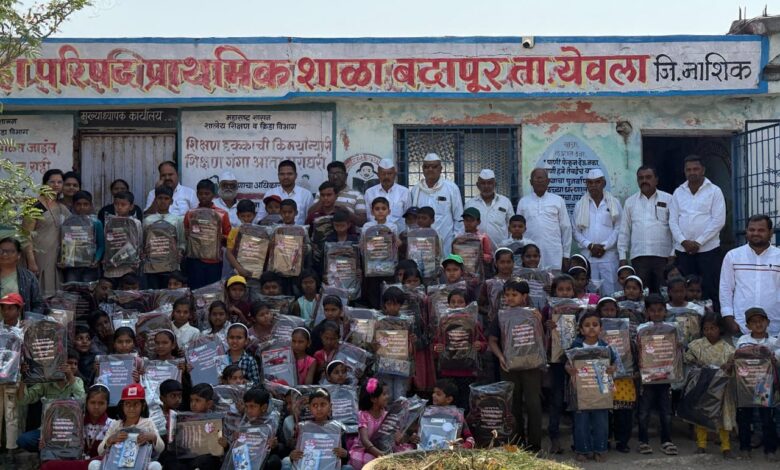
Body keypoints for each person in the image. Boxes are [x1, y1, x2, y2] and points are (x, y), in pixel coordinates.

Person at [487, 279, 543, 452]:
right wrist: (500, 357)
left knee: (534, 404)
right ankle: (517, 444)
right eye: (507, 295)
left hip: (532, 366)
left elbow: (542, 339)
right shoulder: (501, 315)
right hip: (508, 366)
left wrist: (540, 322)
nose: (510, 298)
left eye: (514, 294)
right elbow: (492, 340)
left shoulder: (534, 314)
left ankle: (534, 446)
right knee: (513, 406)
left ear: (524, 296)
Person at [669, 155, 726, 303]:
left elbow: (719, 221)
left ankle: (711, 317)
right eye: (688, 170)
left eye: (696, 169)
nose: (692, 172)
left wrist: (698, 242)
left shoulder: (714, 191)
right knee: (684, 289)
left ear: (703, 170)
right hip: (683, 251)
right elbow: (673, 221)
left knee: (710, 287)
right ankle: (688, 316)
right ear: (684, 171)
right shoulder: (678, 192)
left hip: (709, 250)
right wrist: (683, 241)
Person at [565, 311, 616, 462]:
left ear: (601, 328)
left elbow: (614, 364)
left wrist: (612, 369)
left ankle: (600, 449)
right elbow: (567, 364)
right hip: (581, 391)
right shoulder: (576, 346)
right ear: (581, 330)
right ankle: (582, 450)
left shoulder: (605, 347)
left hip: (601, 391)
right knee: (581, 422)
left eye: (595, 324)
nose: (591, 328)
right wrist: (569, 370)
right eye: (587, 325)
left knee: (601, 422)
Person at [684, 312, 735, 458]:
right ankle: (701, 444)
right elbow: (687, 357)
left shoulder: (728, 349)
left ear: (720, 329)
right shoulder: (697, 345)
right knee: (701, 414)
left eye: (713, 328)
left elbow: (733, 364)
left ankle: (726, 446)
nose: (709, 332)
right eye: (706, 329)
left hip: (722, 388)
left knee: (723, 416)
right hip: (703, 385)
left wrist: (729, 365)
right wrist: (696, 362)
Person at [719, 214, 780, 336]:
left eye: (761, 230)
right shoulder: (733, 256)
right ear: (746, 231)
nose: (755, 233)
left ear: (771, 232)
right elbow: (725, 289)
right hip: (741, 327)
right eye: (752, 230)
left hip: (775, 327)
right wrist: (729, 318)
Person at [733, 307, 779, 461]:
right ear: (748, 326)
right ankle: (744, 448)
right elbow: (737, 356)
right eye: (754, 322)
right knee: (744, 418)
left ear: (768, 322)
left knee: (767, 418)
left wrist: (774, 359)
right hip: (746, 385)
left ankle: (770, 449)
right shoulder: (743, 340)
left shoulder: (774, 342)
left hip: (764, 386)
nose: (758, 324)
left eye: (761, 321)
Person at [618, 166, 673, 293]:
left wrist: (673, 253)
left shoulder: (668, 199)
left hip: (663, 256)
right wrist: (622, 257)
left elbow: (674, 227)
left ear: (656, 180)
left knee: (664, 293)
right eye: (641, 178)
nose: (644, 181)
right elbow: (624, 231)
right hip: (639, 257)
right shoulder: (630, 202)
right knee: (641, 293)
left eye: (648, 177)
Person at [636, 294, 679, 456]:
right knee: (644, 411)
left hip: (665, 377)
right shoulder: (642, 329)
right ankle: (643, 441)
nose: (656, 313)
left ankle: (666, 441)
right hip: (647, 377)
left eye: (660, 310)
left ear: (665, 311)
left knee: (666, 411)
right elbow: (637, 350)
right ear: (647, 312)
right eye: (653, 310)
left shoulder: (671, 329)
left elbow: (677, 350)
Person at [89, 384, 164, 470]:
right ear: (122, 406)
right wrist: (110, 440)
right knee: (94, 464)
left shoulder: (148, 423)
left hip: (140, 465)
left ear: (143, 406)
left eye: (136, 404)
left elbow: (161, 448)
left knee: (155, 466)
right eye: (127, 404)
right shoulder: (116, 424)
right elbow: (100, 451)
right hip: (116, 465)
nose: (131, 408)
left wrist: (153, 437)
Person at [572, 169, 622, 296]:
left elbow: (619, 228)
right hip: (589, 257)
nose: (593, 185)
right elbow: (575, 231)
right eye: (590, 182)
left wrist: (605, 246)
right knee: (590, 294)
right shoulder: (580, 205)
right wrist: (590, 245)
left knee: (611, 293)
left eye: (597, 182)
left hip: (609, 257)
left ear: (604, 183)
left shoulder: (614, 203)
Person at [23, 169, 71, 295]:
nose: (56, 185)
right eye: (52, 182)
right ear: (45, 184)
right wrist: (31, 261)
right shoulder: (36, 204)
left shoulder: (61, 207)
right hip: (38, 256)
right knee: (38, 292)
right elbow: (26, 235)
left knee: (54, 295)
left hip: (56, 257)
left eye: (59, 182)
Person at [516, 167, 572, 270]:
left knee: (553, 279)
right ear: (531, 182)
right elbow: (517, 230)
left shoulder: (558, 200)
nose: (539, 181)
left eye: (542, 178)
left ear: (548, 181)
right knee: (531, 279)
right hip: (530, 254)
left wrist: (566, 255)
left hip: (553, 253)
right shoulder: (523, 202)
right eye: (536, 178)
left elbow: (566, 228)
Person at [410, 153, 464, 255]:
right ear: (422, 169)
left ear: (440, 169)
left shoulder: (451, 188)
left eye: (434, 166)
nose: (430, 169)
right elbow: (412, 219)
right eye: (426, 167)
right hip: (422, 244)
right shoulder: (416, 190)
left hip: (446, 243)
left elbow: (459, 217)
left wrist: (456, 242)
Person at [183, 179, 232, 289]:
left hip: (214, 261)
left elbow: (229, 238)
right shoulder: (190, 214)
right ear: (197, 194)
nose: (203, 196)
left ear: (213, 195)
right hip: (195, 260)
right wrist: (188, 234)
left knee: (212, 291)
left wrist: (220, 237)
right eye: (200, 193)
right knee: (195, 290)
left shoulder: (222, 214)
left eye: (207, 193)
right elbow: (186, 234)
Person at [142, 185, 185, 289]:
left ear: (171, 201)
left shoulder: (177, 220)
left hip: (170, 267)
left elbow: (182, 241)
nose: (163, 201)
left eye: (166, 198)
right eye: (160, 198)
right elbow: (143, 242)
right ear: (155, 200)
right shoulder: (148, 220)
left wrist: (180, 252)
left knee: (169, 294)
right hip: (152, 266)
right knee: (154, 294)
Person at [61, 190, 105, 283]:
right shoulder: (68, 222)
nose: (82, 207)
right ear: (73, 205)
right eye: (78, 204)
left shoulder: (96, 222)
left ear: (91, 205)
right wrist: (63, 259)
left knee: (88, 289)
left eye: (86, 204)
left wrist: (96, 259)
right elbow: (64, 243)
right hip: (72, 266)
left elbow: (101, 245)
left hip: (90, 266)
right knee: (72, 289)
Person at [465, 169, 514, 248]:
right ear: (478, 185)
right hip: (477, 251)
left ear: (495, 184)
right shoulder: (470, 204)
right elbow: (464, 228)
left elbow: (512, 226)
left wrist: (508, 246)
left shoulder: (505, 202)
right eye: (483, 183)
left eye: (490, 183)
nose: (486, 186)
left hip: (501, 252)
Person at [310, 161, 367, 226]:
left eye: (338, 173)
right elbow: (310, 216)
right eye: (331, 174)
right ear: (328, 176)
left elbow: (362, 222)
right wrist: (323, 199)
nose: (335, 177)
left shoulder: (357, 195)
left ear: (346, 175)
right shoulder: (321, 193)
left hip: (348, 231)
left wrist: (347, 213)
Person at [257, 160, 314, 225]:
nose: (286, 177)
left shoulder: (306, 194)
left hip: (298, 231)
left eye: (289, 174)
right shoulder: (270, 193)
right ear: (278, 176)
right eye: (282, 174)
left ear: (296, 175)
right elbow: (259, 219)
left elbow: (310, 219)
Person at [365, 159, 412, 233]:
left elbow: (409, 217)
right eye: (383, 174)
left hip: (399, 234)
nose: (386, 177)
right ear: (378, 175)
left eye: (389, 174)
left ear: (395, 174)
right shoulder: (369, 192)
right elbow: (369, 216)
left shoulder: (405, 192)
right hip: (376, 235)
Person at [0, 237, 42, 312]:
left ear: (18, 255)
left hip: (21, 319)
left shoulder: (28, 277)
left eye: (11, 251)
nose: (4, 254)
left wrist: (30, 318)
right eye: (1, 251)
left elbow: (38, 304)